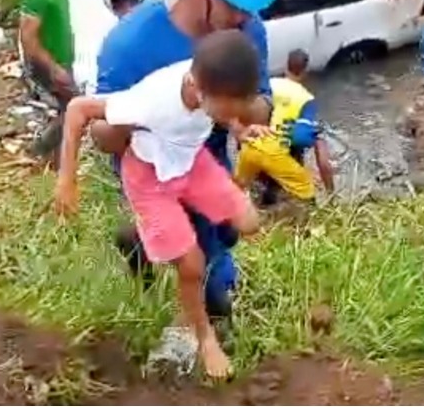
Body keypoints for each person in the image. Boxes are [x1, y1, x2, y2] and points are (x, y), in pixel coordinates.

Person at [91, 0, 276, 329]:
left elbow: (260, 103)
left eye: (252, 7)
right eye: (236, 4)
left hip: (206, 154)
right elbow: (102, 138)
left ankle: (142, 240)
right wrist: (147, 115)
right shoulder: (129, 47)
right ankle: (215, 324)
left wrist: (231, 108)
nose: (246, 18)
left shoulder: (245, 31)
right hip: (152, 167)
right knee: (207, 265)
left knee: (228, 228)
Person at [55, 30, 266, 378]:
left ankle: (143, 239)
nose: (235, 113)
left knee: (249, 222)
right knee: (192, 263)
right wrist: (67, 180)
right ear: (199, 90)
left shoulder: (209, 80)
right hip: (149, 176)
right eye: (229, 108)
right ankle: (205, 340)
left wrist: (238, 128)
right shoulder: (151, 100)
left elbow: (223, 107)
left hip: (188, 160)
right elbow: (78, 110)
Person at [235, 48, 334, 204]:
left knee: (236, 191)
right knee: (307, 190)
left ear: (286, 66)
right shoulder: (306, 99)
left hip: (249, 147)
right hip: (274, 153)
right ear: (305, 72)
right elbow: (301, 139)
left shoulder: (268, 85)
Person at [19, 0, 78, 166]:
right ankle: (41, 151)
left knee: (69, 109)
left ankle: (55, 157)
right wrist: (54, 69)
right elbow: (28, 37)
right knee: (74, 109)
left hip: (61, 60)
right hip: (47, 64)